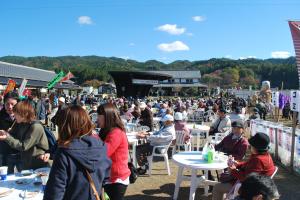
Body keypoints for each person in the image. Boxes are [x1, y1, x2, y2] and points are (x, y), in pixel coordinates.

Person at [44, 105, 111, 200]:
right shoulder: (101, 145)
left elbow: (55, 192)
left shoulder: (64, 152)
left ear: (65, 126)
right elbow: (106, 176)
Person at [212, 132, 276, 200]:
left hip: (251, 190)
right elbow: (249, 165)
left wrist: (233, 171)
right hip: (260, 186)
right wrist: (238, 164)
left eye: (251, 146)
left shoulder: (258, 160)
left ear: (255, 147)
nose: (249, 147)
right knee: (224, 179)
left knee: (217, 187)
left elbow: (247, 179)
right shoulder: (264, 155)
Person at [0, 101, 50, 171]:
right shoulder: (21, 123)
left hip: (37, 164)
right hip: (26, 163)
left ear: (24, 114)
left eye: (16, 114)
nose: (14, 115)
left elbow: (24, 146)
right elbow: (15, 137)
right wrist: (6, 133)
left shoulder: (36, 127)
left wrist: (7, 137)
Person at [97, 103, 130, 200]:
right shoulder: (105, 130)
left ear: (107, 116)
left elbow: (104, 152)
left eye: (99, 116)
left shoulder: (116, 132)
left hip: (117, 179)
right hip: (109, 176)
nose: (97, 118)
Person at [0, 92, 19, 170]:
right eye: (7, 104)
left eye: (13, 104)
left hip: (20, 151)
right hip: (4, 152)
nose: (10, 107)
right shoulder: (1, 115)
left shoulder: (23, 115)